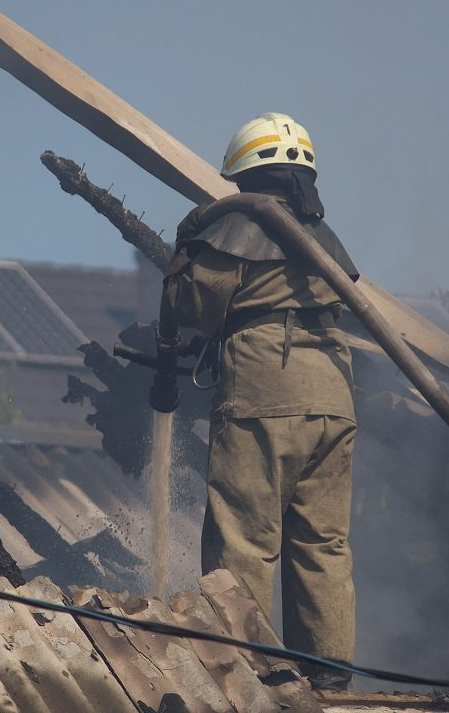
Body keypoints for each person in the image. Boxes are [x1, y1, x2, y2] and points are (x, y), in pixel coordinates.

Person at [153, 112, 359, 691]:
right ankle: (331, 676)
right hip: (335, 388)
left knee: (245, 532)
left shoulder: (236, 229)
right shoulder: (322, 239)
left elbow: (194, 305)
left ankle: (245, 671)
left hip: (269, 379)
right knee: (323, 541)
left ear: (244, 175)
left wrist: (186, 253)